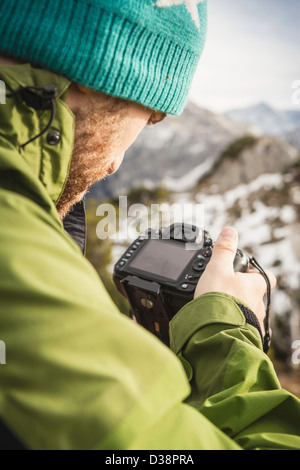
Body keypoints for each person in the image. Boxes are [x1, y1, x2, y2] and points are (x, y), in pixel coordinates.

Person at [0, 0, 299, 451]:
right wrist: (225, 333)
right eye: (152, 114)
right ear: (91, 72)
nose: (117, 162)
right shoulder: (15, 252)